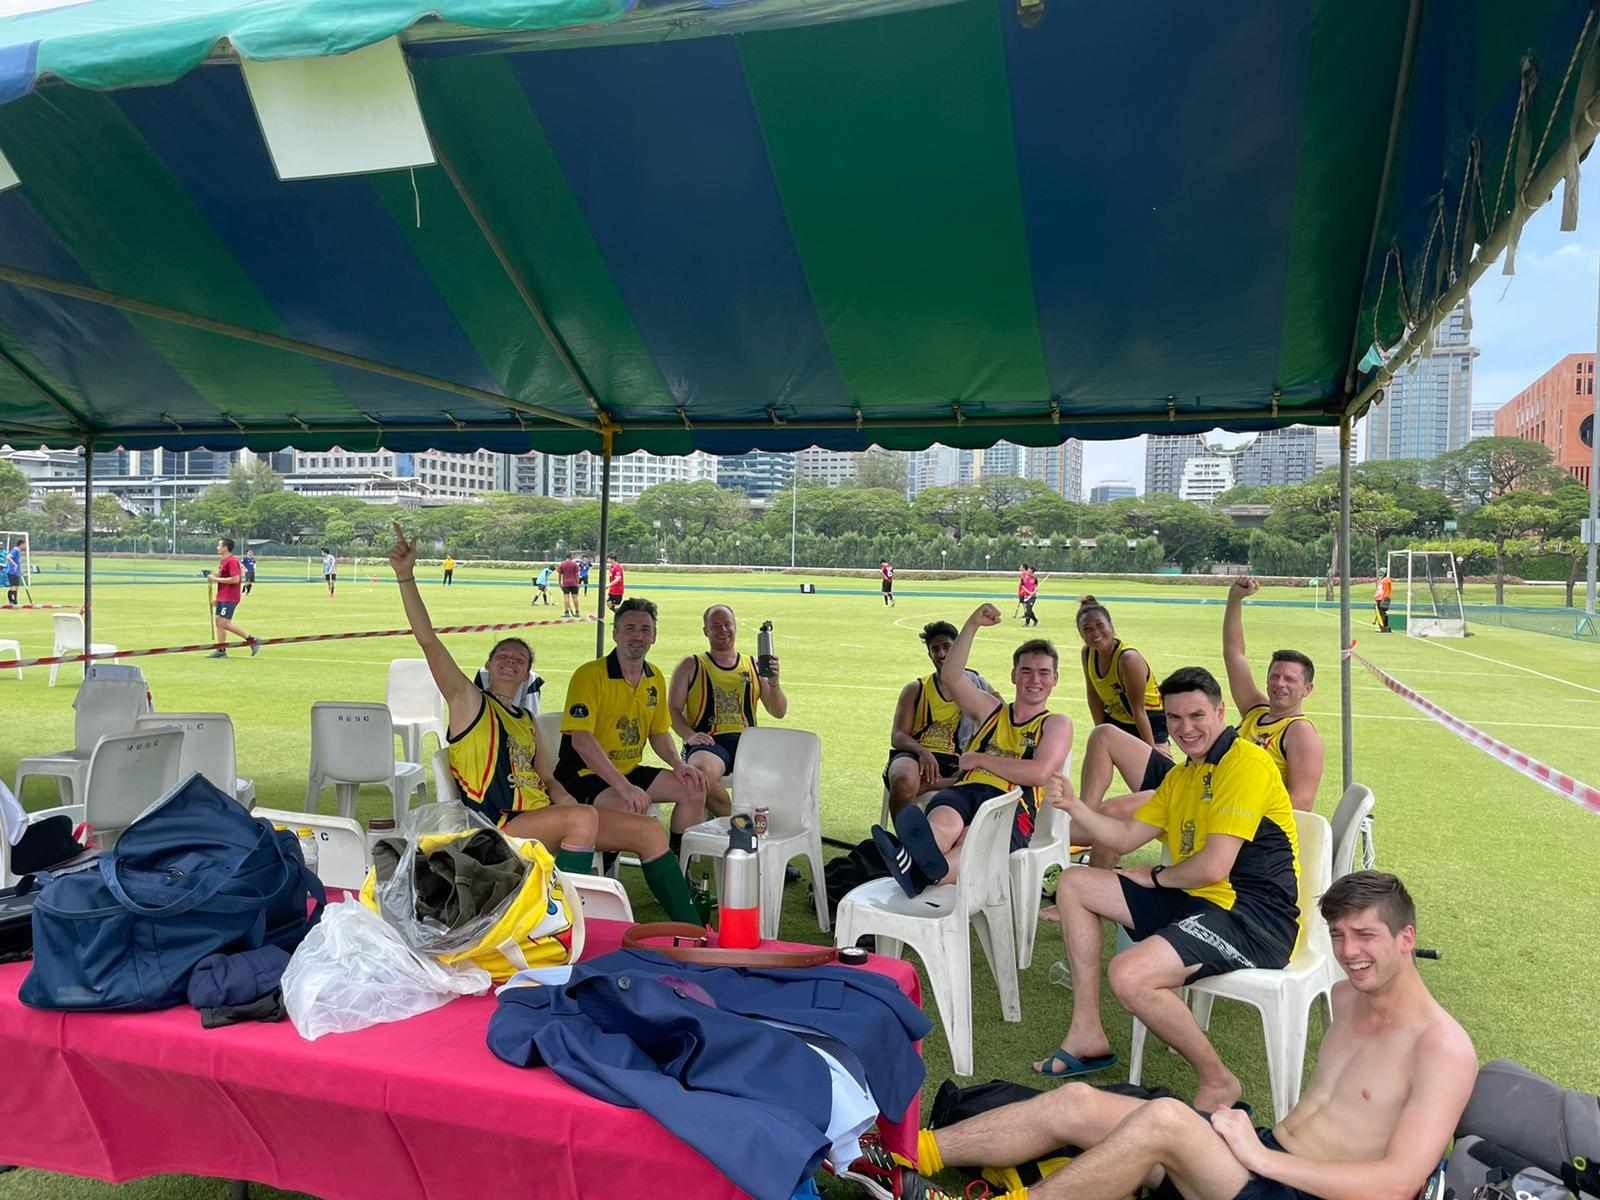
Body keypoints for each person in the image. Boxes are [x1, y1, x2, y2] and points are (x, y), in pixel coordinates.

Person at [850, 871, 1475, 1200]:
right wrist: (1257, 1151)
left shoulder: (1442, 1048)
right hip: (1259, 1160)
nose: (1348, 953)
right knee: (1078, 1103)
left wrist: (1260, 1159)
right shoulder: (1346, 994)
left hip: (1291, 1186)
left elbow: (1396, 1185)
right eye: (1338, 936)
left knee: (1167, 1119)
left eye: (1365, 936)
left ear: (1407, 938)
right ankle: (906, 1151)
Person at [385, 524, 698, 923]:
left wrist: (571, 800)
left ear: (529, 674)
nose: (511, 660)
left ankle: (694, 929)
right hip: (496, 824)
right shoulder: (468, 702)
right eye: (503, 655)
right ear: (488, 666)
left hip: (543, 818)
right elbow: (428, 641)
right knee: (582, 819)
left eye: (520, 659)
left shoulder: (527, 720)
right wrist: (405, 577)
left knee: (648, 831)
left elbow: (549, 780)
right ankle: (561, 924)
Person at [1035, 666, 1299, 1108]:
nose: (1185, 729)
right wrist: (1075, 805)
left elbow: (1214, 866)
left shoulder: (1246, 763)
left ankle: (1218, 1080)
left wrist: (1154, 877)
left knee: (1129, 973)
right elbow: (1120, 838)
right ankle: (1087, 1033)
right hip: (1200, 902)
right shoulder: (1183, 776)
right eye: (1175, 719)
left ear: (1220, 712)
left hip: (1255, 919)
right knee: (1075, 883)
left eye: (1197, 716)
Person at [1074, 578, 1323, 869]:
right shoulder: (1256, 710)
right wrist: (1234, 599)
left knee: (1113, 812)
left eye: (1290, 679)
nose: (1279, 684)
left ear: (1307, 689)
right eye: (1274, 676)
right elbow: (1235, 655)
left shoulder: (1300, 732)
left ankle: (1055, 851)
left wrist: (1229, 815)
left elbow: (1300, 805)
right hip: (1190, 781)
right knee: (1105, 735)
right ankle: (1065, 829)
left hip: (1216, 808)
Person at [872, 604, 1071, 896]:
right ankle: (922, 867)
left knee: (972, 840)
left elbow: (1039, 772)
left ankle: (918, 870)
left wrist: (979, 759)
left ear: (1055, 679)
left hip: (1011, 804)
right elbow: (952, 678)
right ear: (1014, 675)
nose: (1034, 679)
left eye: (1044, 673)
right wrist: (972, 625)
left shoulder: (1055, 723)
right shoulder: (991, 709)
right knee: (945, 821)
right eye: (1026, 671)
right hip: (966, 790)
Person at [556, 597, 708, 858]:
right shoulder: (589, 675)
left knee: (693, 788)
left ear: (654, 637)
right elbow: (581, 740)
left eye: (645, 629)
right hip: (584, 774)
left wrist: (678, 765)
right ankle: (609, 871)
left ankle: (681, 864)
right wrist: (623, 787)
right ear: (615, 634)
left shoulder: (655, 677)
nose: (637, 636)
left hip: (627, 770)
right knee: (629, 808)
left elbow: (659, 732)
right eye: (629, 628)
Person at [667, 604, 789, 817]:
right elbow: (673, 709)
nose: (723, 630)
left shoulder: (754, 665)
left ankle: (751, 827)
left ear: (735, 627)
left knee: (785, 769)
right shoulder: (691, 665)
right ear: (705, 631)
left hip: (748, 742)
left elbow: (778, 711)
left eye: (727, 624)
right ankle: (738, 824)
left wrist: (775, 683)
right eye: (715, 626)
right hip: (710, 742)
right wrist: (690, 735)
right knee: (699, 774)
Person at [883, 621, 999, 818]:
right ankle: (905, 844)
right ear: (929, 655)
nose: (941, 654)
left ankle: (931, 785)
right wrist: (922, 751)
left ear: (958, 650)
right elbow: (898, 736)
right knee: (903, 780)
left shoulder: (978, 687)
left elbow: (1003, 720)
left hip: (957, 760)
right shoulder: (916, 689)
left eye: (947, 647)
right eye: (935, 649)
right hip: (916, 757)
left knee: (986, 779)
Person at [1077, 596, 1167, 750]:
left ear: (1110, 626)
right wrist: (1101, 733)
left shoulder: (1128, 659)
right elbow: (1093, 694)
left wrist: (1152, 754)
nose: (1095, 633)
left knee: (1152, 771)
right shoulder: (1088, 653)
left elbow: (1138, 710)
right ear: (1080, 633)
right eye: (1087, 629)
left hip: (1149, 721)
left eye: (1100, 625)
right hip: (1118, 719)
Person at [206, 538, 260, 659]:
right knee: (219, 622)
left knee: (224, 623)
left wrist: (216, 579)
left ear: (225, 548)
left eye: (219, 545)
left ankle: (252, 639)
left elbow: (235, 579)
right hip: (222, 596)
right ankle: (221, 650)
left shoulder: (232, 561)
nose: (217, 547)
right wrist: (213, 575)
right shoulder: (223, 560)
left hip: (230, 597)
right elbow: (222, 575)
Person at [557, 553, 581, 617]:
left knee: (566, 597)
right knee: (575, 597)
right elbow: (577, 575)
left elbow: (559, 574)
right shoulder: (575, 564)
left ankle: (566, 612)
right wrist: (578, 583)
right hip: (574, 583)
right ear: (571, 557)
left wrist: (559, 583)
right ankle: (577, 612)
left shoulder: (562, 564)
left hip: (565, 583)